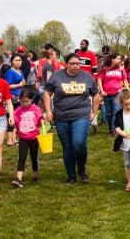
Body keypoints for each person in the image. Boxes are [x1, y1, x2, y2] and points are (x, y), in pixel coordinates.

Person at [44, 53, 100, 184]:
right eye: (72, 63)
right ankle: (71, 176)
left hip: (81, 115)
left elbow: (96, 94)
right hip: (61, 116)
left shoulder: (87, 77)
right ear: (66, 64)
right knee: (67, 146)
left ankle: (81, 170)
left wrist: (94, 111)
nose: (75, 66)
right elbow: (47, 93)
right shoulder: (57, 76)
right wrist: (47, 111)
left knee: (79, 143)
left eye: (77, 63)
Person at [11, 89, 44, 188]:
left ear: (32, 100)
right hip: (23, 138)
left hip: (34, 138)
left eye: (27, 101)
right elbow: (16, 124)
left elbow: (40, 122)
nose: (25, 104)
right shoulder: (18, 111)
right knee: (22, 158)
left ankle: (35, 175)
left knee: (34, 157)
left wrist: (43, 120)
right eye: (23, 102)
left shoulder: (36, 109)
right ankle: (19, 179)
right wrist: (13, 133)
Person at [97, 53, 129, 136]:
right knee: (108, 113)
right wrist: (101, 90)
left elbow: (125, 79)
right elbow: (99, 79)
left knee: (116, 112)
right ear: (112, 59)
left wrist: (128, 90)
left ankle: (114, 129)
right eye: (118, 59)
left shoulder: (121, 69)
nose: (120, 61)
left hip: (117, 93)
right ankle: (111, 128)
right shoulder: (105, 69)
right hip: (106, 94)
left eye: (121, 59)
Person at [5, 53, 27, 146]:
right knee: (11, 117)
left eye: (19, 60)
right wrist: (19, 85)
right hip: (12, 97)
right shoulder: (9, 72)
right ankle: (9, 139)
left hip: (20, 96)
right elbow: (8, 86)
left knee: (18, 117)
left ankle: (15, 137)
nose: (18, 62)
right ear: (12, 61)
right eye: (16, 60)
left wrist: (23, 83)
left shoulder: (21, 71)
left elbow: (23, 81)